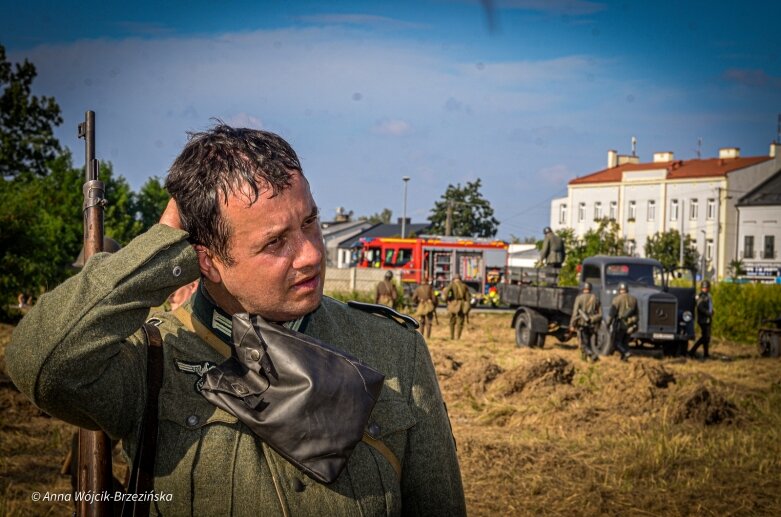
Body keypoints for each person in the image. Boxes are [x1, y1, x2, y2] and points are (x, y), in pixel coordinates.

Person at [7, 125, 466, 515]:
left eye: (310, 222)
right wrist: (164, 245)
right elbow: (39, 362)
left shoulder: (393, 349)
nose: (311, 254)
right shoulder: (153, 362)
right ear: (206, 261)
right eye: (275, 243)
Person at [569, 282, 602, 362]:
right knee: (589, 342)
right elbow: (600, 314)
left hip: (582, 324)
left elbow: (575, 313)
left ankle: (592, 355)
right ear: (590, 289)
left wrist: (572, 324)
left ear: (583, 288)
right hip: (592, 325)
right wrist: (592, 319)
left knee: (583, 344)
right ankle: (586, 359)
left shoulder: (579, 298)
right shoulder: (596, 298)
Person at [609, 282, 635, 361]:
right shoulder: (633, 299)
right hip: (630, 325)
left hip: (620, 325)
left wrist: (608, 323)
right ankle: (624, 359)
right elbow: (637, 314)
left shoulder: (617, 299)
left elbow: (612, 313)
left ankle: (626, 352)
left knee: (616, 342)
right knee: (625, 342)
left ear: (619, 290)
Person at [689, 280, 714, 359]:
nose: (705, 289)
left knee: (706, 338)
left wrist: (711, 312)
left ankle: (706, 354)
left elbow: (709, 306)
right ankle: (692, 351)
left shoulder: (708, 296)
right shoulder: (701, 296)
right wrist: (707, 313)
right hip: (703, 319)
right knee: (705, 337)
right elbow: (700, 307)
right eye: (704, 288)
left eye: (706, 287)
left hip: (707, 319)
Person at [443, 274, 470, 340]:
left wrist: (447, 300)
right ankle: (458, 337)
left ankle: (452, 337)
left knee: (452, 321)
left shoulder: (452, 284)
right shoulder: (464, 286)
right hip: (461, 305)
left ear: (454, 279)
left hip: (453, 304)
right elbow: (468, 298)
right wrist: (467, 307)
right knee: (460, 322)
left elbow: (446, 292)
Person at [412, 275, 437, 339]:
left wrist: (418, 302)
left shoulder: (418, 288)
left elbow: (413, 298)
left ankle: (421, 336)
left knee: (421, 322)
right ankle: (428, 337)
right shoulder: (430, 287)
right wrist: (434, 304)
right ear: (427, 281)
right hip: (429, 306)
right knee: (429, 322)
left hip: (421, 305)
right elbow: (434, 298)